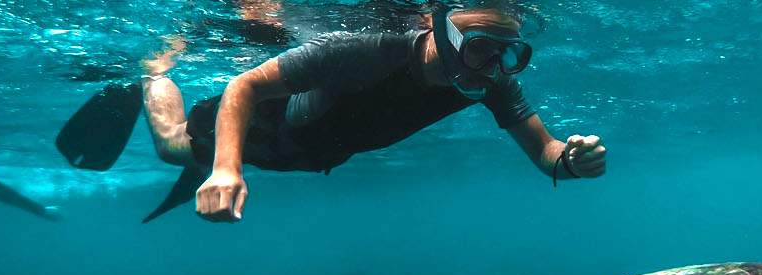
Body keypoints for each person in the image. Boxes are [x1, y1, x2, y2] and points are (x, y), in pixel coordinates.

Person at [57, 5, 607, 223]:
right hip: (265, 128)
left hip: (316, 152)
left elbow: (544, 150)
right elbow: (245, 85)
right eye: (484, 45)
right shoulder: (364, 49)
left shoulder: (489, 82)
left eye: (509, 54)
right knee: (171, 144)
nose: (493, 66)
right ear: (445, 31)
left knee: (189, 157)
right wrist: (228, 167)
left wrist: (571, 161)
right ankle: (154, 73)